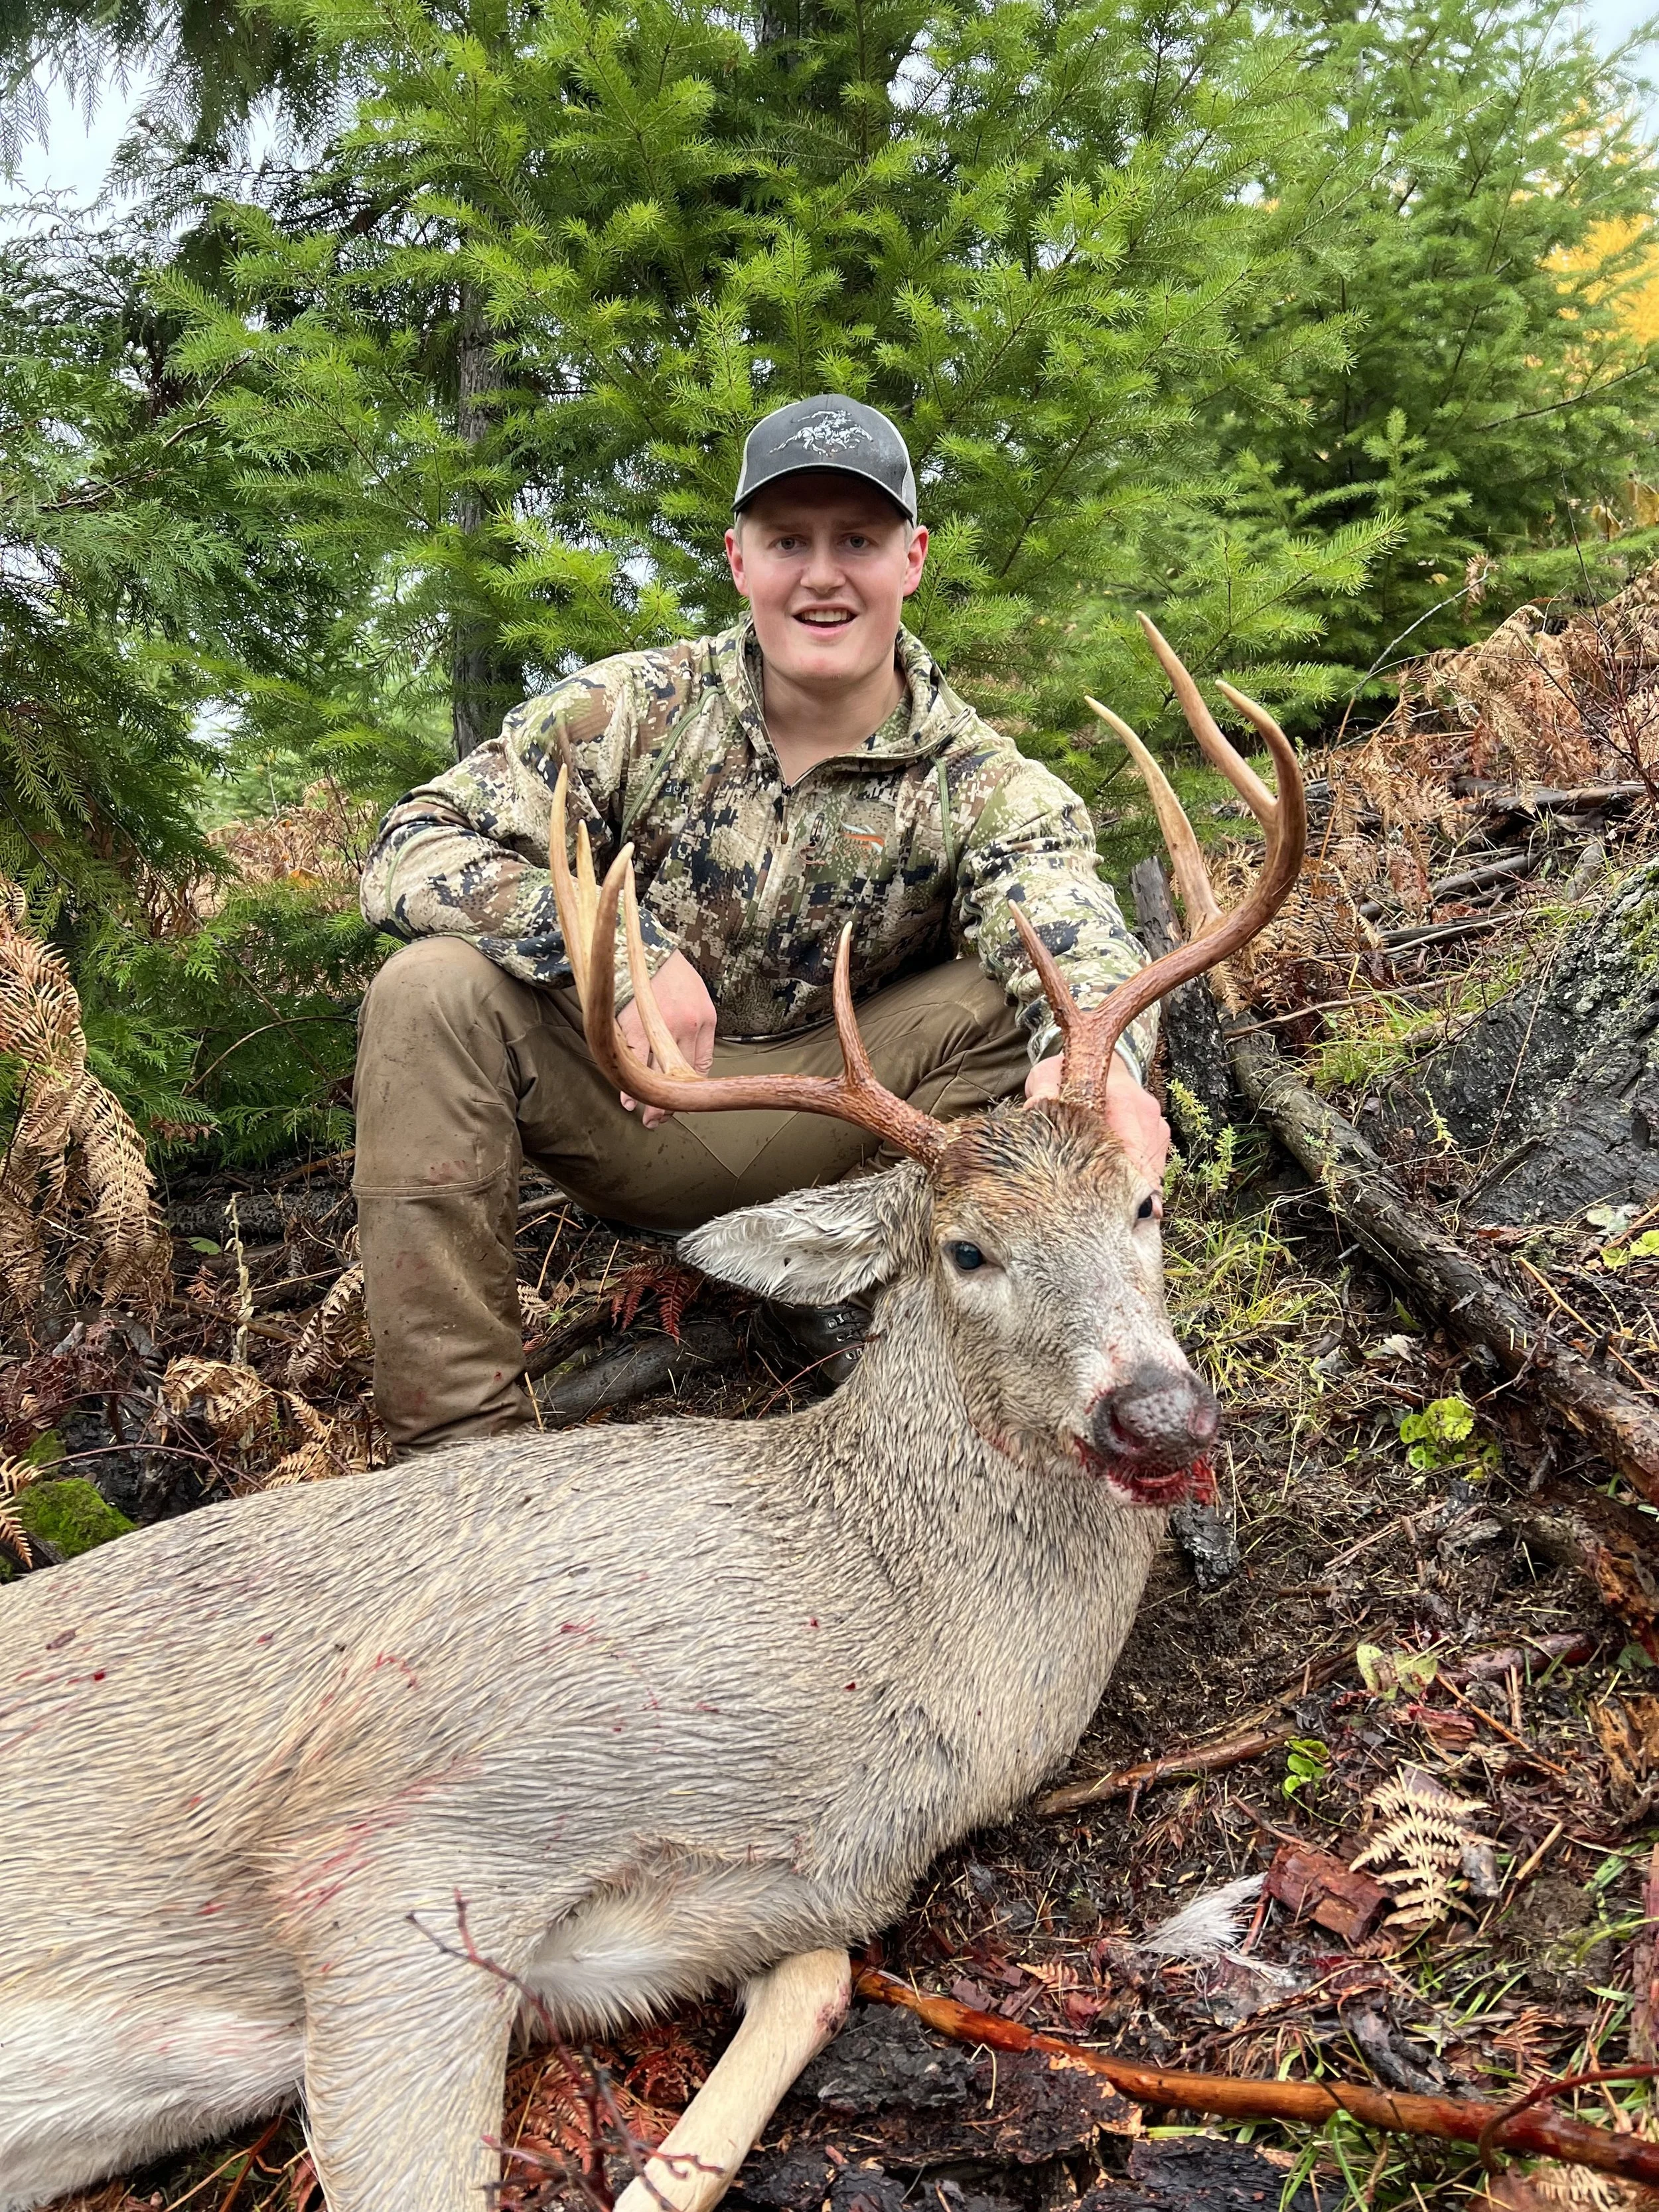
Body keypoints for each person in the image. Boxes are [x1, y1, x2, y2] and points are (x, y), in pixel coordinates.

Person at [354, 394, 1167, 1452]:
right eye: (789, 541)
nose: (822, 575)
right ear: (740, 560)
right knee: (429, 992)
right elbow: (410, 845)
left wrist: (1103, 1075)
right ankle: (460, 1457)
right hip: (633, 1111)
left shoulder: (984, 783)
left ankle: (936, 1368)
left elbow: (1071, 927)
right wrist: (621, 949)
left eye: (857, 541)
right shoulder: (631, 711)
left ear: (911, 559)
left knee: (1024, 1013)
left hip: (857, 1145)